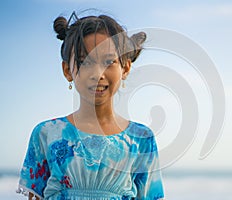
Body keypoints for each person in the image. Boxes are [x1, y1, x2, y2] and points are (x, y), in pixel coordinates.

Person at [16, 11, 165, 200]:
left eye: (108, 61)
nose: (98, 73)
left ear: (125, 68)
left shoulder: (141, 139)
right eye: (85, 61)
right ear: (67, 70)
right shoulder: (46, 134)